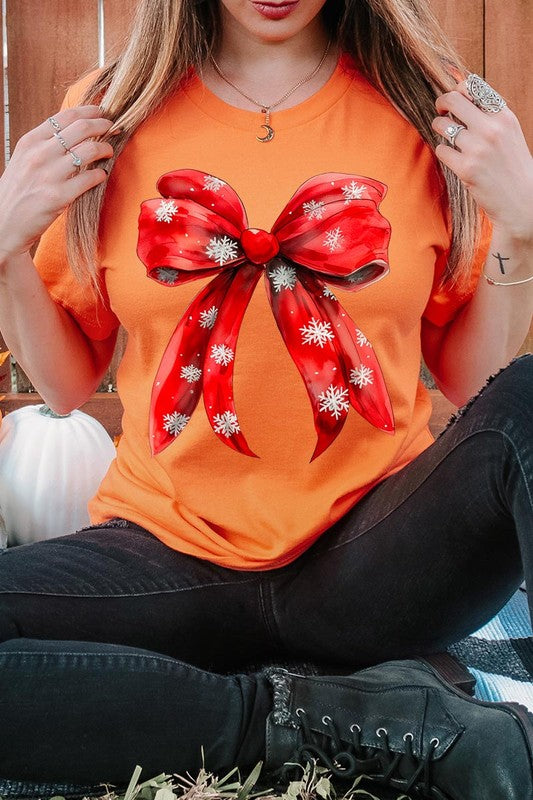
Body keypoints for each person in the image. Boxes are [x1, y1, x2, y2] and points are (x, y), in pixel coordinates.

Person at [0, 0, 532, 796]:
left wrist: (523, 229)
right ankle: (312, 718)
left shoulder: (435, 104)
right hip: (166, 556)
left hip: (377, 556)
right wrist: (5, 244)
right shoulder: (110, 111)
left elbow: (470, 377)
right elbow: (67, 383)